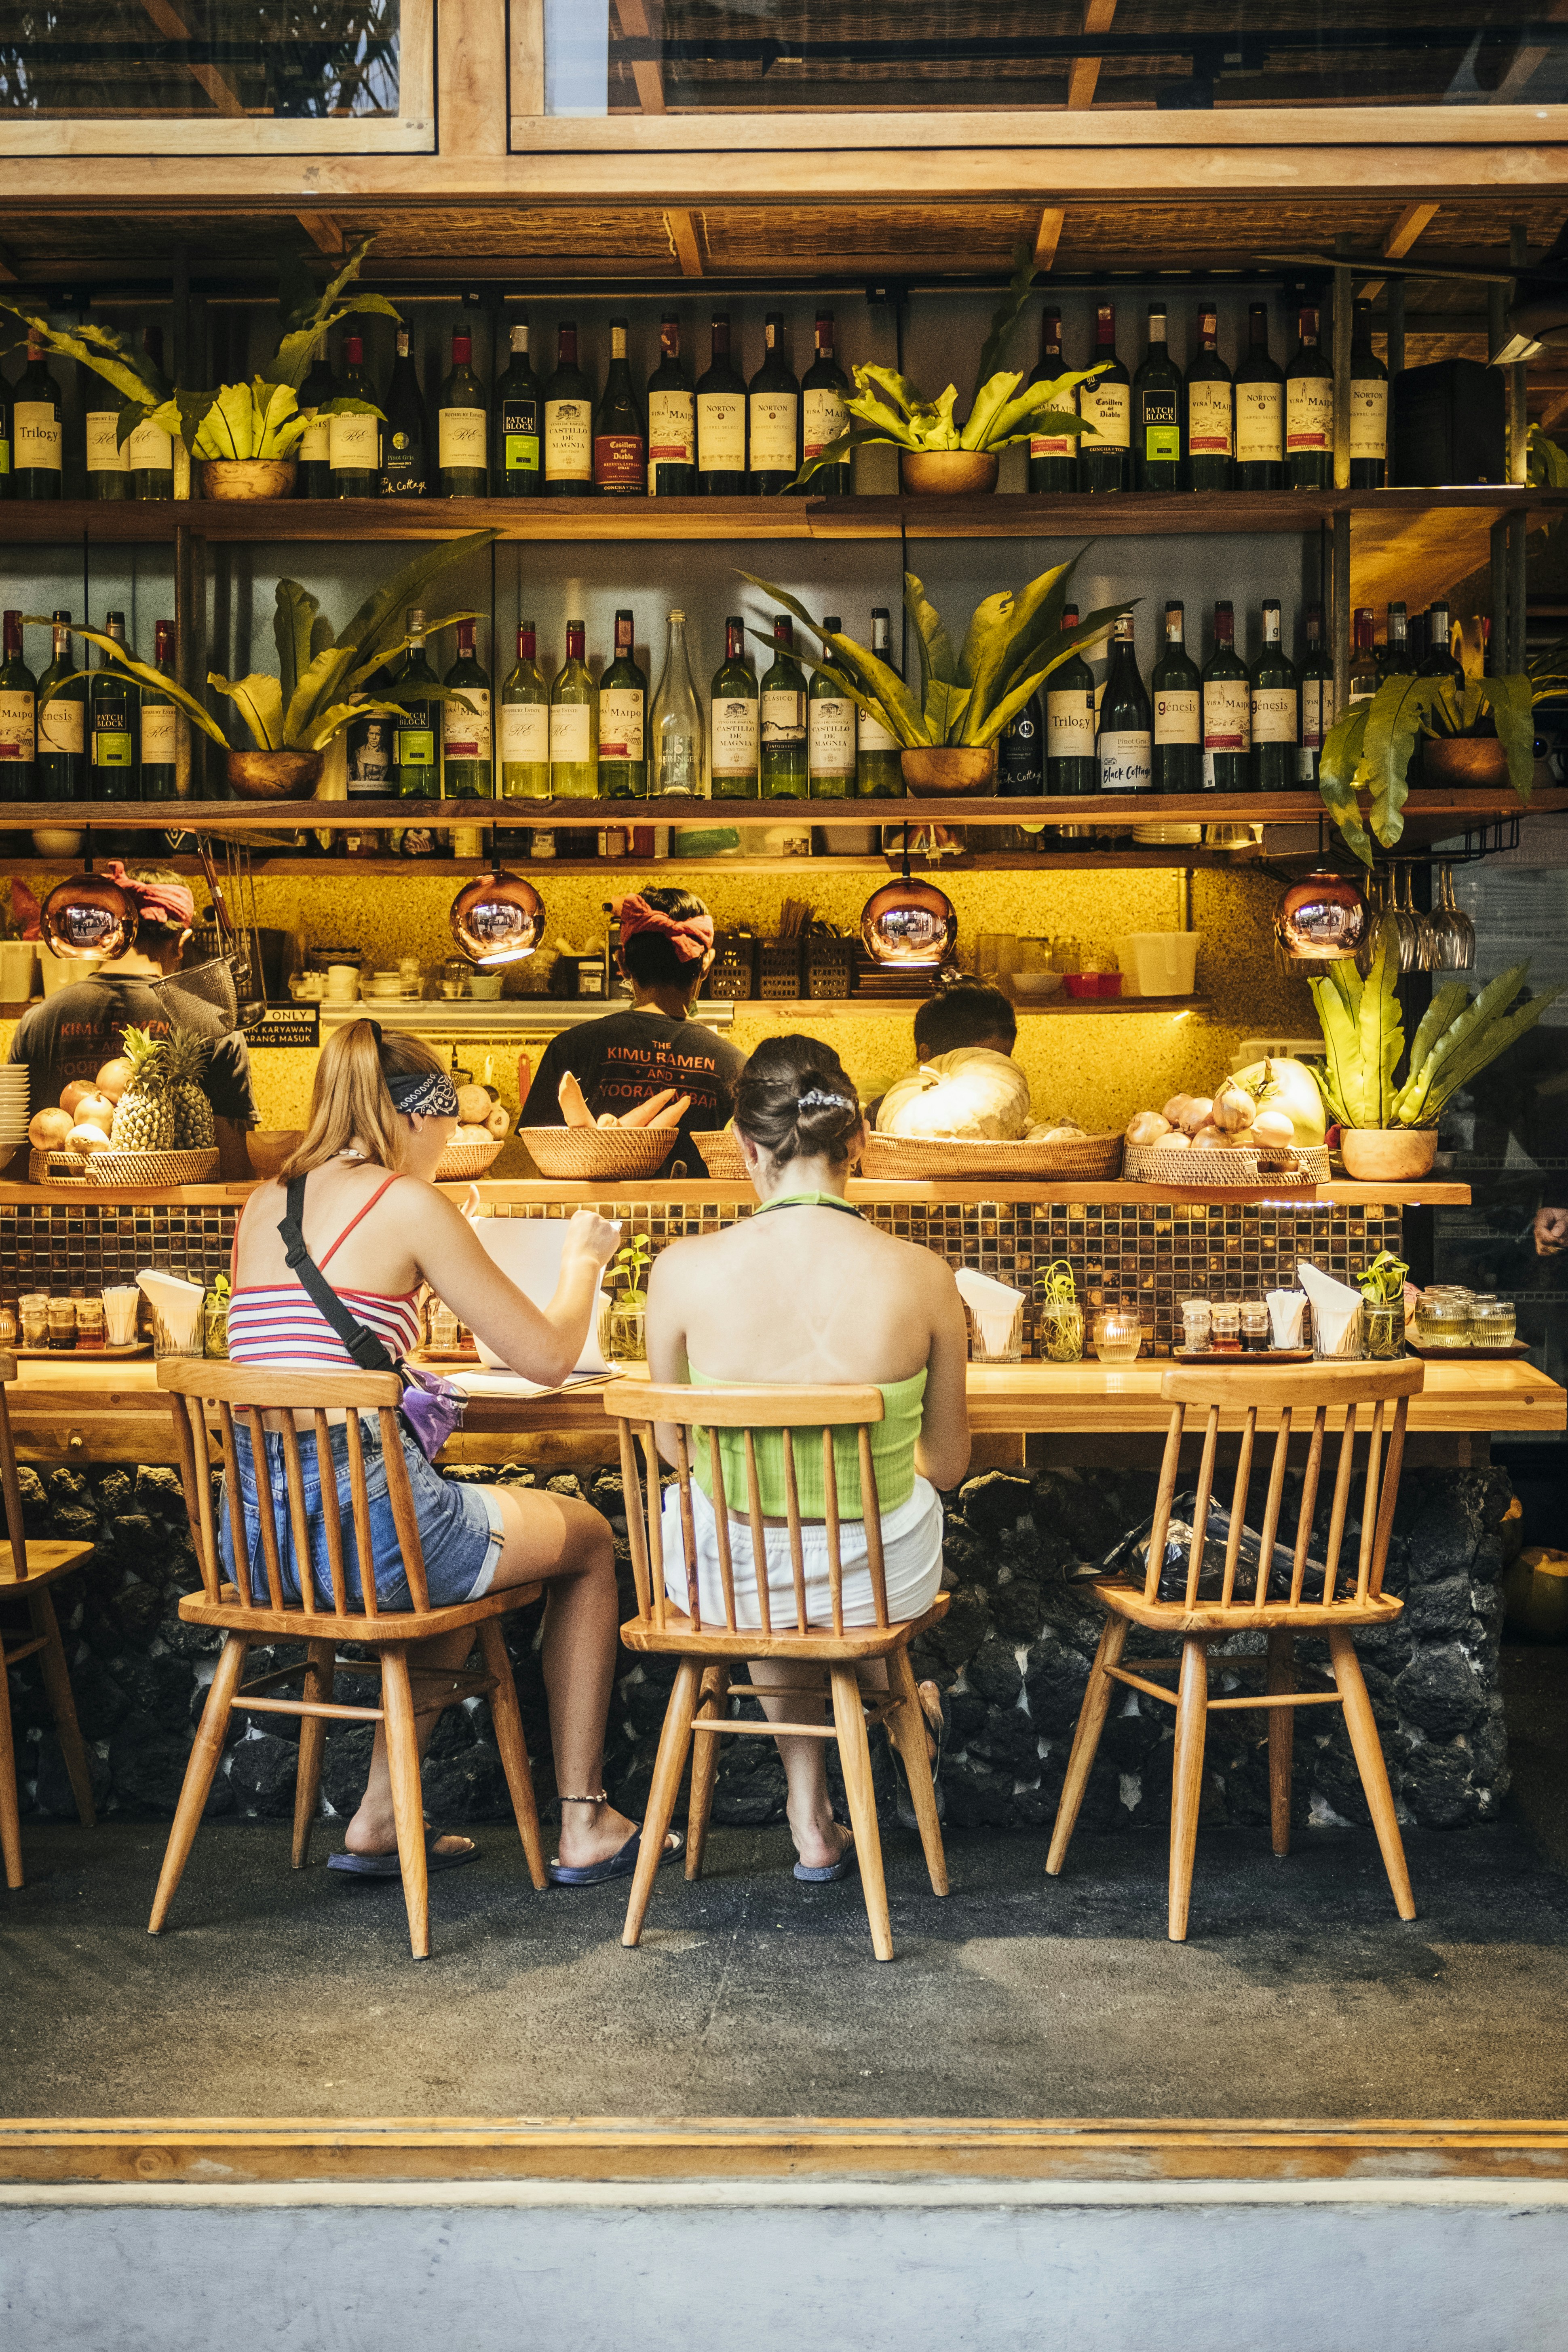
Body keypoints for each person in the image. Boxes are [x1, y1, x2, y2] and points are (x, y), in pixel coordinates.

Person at [225, 1018, 679, 1885]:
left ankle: (380, 1814)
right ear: (416, 1117)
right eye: (450, 1130)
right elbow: (546, 1355)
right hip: (375, 1541)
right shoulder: (405, 1201)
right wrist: (585, 1261)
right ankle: (584, 1819)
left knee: (455, 1553)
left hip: (263, 1550)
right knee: (585, 1541)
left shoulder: (263, 1202)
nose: (449, 1148)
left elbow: (305, 1353)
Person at [644, 1035, 969, 1881]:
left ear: (744, 1148)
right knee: (849, 1552)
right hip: (875, 1582)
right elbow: (947, 1462)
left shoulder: (680, 1270)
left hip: (731, 1578)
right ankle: (892, 1699)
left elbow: (672, 1444)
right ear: (858, 1140)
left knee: (755, 1548)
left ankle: (807, 1804)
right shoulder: (926, 1275)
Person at [8, 863, 257, 1179]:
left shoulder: (38, 1021)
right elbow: (234, 1164)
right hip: (180, 1218)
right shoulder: (212, 1022)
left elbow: (14, 1160)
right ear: (182, 942)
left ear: (107, 933)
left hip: (57, 1213)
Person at [518, 888, 745, 1178]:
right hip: (702, 1222)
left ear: (621, 963)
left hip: (590, 1221)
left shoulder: (571, 1048)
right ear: (706, 965)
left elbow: (538, 1160)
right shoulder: (736, 1065)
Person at [865, 979, 1018, 1130]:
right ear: (928, 1055)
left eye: (1003, 1063)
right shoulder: (889, 1117)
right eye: (977, 1064)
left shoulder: (1013, 1115)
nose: (993, 1078)